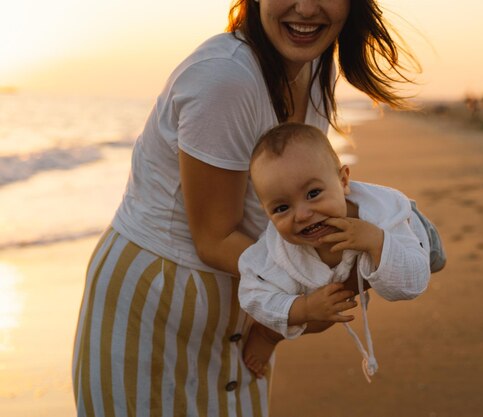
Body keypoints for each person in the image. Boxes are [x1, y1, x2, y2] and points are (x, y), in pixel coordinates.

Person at [72, 0, 422, 416]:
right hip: (160, 304)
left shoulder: (312, 64)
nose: (306, 8)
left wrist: (382, 248)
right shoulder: (226, 78)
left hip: (249, 302)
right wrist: (312, 290)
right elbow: (214, 237)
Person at [238, 122, 432, 382]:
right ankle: (267, 334)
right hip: (331, 279)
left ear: (343, 181)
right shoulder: (275, 248)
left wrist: (377, 241)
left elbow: (412, 284)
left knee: (432, 257)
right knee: (318, 318)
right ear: (267, 214)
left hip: (414, 232)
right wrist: (302, 308)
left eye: (313, 193)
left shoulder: (383, 216)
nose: (303, 214)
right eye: (282, 208)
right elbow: (251, 293)